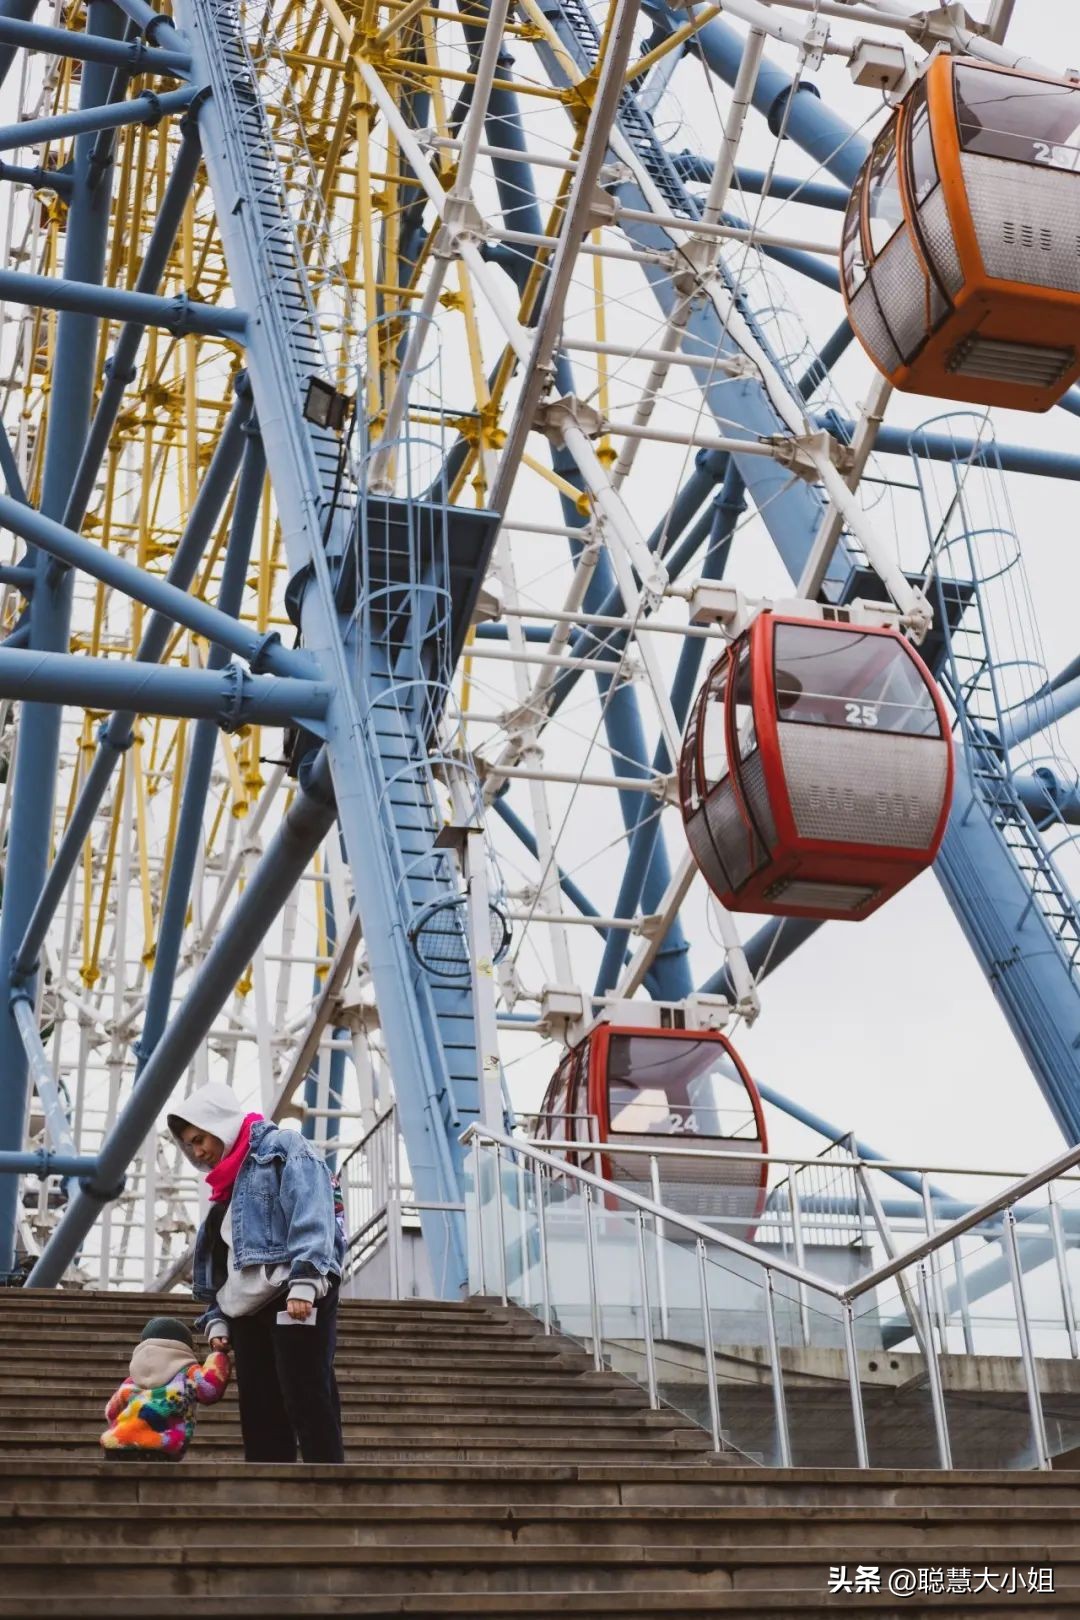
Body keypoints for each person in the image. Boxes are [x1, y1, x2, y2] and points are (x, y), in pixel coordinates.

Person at [167, 1083, 346, 1464]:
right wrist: (217, 1318)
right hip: (245, 1308)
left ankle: (329, 1482)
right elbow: (222, 1260)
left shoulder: (282, 1147)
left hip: (290, 1290)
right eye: (190, 1146)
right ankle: (269, 1487)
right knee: (259, 1407)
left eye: (200, 1139)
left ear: (219, 1123)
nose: (197, 1152)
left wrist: (305, 1279)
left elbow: (313, 1208)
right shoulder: (224, 1189)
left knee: (306, 1392)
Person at [100, 1315, 230, 1460]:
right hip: (158, 1447)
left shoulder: (131, 1381)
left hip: (116, 1444)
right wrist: (218, 1355)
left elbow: (111, 1412)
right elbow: (209, 1390)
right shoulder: (188, 1373)